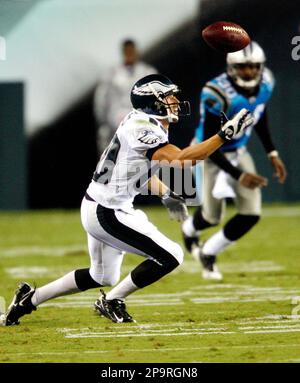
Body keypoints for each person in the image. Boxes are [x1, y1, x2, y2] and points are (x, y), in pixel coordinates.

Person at [1, 74, 253, 326]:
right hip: (107, 211)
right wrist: (223, 135)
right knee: (172, 254)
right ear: (152, 102)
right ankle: (111, 301)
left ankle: (28, 300)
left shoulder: (142, 122)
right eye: (167, 96)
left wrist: (166, 193)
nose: (175, 100)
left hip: (99, 204)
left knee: (101, 275)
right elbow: (181, 159)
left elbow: (134, 170)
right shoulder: (142, 127)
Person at [182, 41, 287, 281]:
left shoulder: (266, 82)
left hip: (238, 151)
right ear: (231, 68)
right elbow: (210, 144)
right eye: (242, 67)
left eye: (253, 67)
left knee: (251, 213)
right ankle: (189, 229)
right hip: (207, 153)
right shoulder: (215, 93)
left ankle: (208, 252)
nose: (249, 72)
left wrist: (272, 153)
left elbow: (257, 114)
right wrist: (240, 175)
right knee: (211, 217)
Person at [94, 39, 157, 155]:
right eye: (126, 52)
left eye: (131, 51)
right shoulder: (111, 75)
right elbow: (101, 103)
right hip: (118, 122)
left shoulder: (147, 72)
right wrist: (105, 123)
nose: (129, 55)